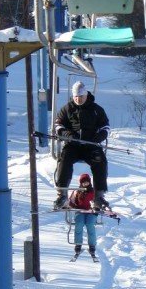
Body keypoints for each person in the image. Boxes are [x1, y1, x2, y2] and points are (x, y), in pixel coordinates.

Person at [53, 80, 110, 211]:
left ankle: (99, 197)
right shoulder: (67, 109)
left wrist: (98, 137)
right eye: (76, 97)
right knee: (64, 160)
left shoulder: (96, 109)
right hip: (73, 145)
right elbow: (58, 125)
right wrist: (68, 135)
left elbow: (106, 127)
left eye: (81, 97)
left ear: (86, 95)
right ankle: (62, 195)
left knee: (100, 161)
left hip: (91, 145)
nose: (78, 100)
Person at [68, 173, 97, 257]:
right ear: (81, 183)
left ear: (89, 182)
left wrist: (97, 207)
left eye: (87, 182)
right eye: (83, 182)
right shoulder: (77, 192)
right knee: (79, 224)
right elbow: (71, 202)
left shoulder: (94, 191)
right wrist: (70, 205)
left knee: (90, 224)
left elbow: (99, 201)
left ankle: (92, 246)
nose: (85, 184)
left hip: (91, 212)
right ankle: (78, 244)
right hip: (80, 212)